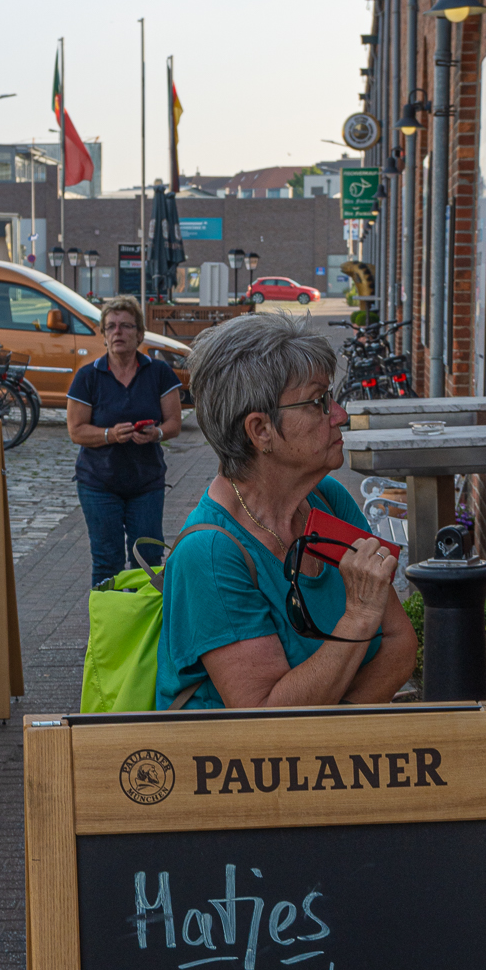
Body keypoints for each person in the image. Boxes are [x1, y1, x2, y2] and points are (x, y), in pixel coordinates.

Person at [155, 313, 417, 710]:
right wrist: (359, 617)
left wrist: (335, 733)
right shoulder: (210, 554)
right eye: (318, 402)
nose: (340, 415)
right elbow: (265, 717)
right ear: (260, 431)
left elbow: (400, 644)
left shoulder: (327, 500)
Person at [66, 295, 183, 588]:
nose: (118, 332)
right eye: (111, 327)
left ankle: (143, 627)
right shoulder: (88, 376)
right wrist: (109, 435)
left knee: (148, 558)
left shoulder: (158, 372)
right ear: (104, 335)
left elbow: (174, 423)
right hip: (98, 482)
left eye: (126, 326)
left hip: (146, 483)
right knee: (107, 560)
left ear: (140, 334)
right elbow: (76, 430)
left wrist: (155, 433)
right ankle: (109, 630)